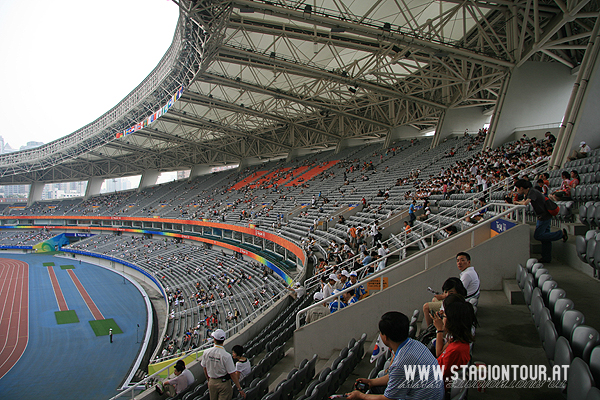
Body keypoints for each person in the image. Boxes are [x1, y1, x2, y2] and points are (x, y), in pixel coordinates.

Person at [346, 311, 444, 400]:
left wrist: (360, 396)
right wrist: (371, 382)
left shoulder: (402, 362)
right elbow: (396, 376)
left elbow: (388, 399)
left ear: (385, 337)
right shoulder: (414, 344)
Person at [514, 179, 567, 263]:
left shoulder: (532, 192)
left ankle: (561, 234)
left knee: (538, 236)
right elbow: (524, 201)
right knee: (545, 239)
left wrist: (516, 202)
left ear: (521, 188)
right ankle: (546, 257)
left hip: (544, 216)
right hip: (542, 215)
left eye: (517, 188)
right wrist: (517, 202)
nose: (516, 191)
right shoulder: (529, 193)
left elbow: (525, 203)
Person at [432, 298, 476, 395]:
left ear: (453, 322)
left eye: (444, 316)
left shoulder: (456, 350)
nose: (442, 319)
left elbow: (437, 375)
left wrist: (439, 329)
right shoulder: (456, 342)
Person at [201, 329, 246, 400]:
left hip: (212, 382)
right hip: (223, 383)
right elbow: (232, 374)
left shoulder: (206, 352)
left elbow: (204, 368)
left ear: (214, 339)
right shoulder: (226, 356)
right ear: (224, 340)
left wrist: (209, 380)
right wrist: (239, 388)